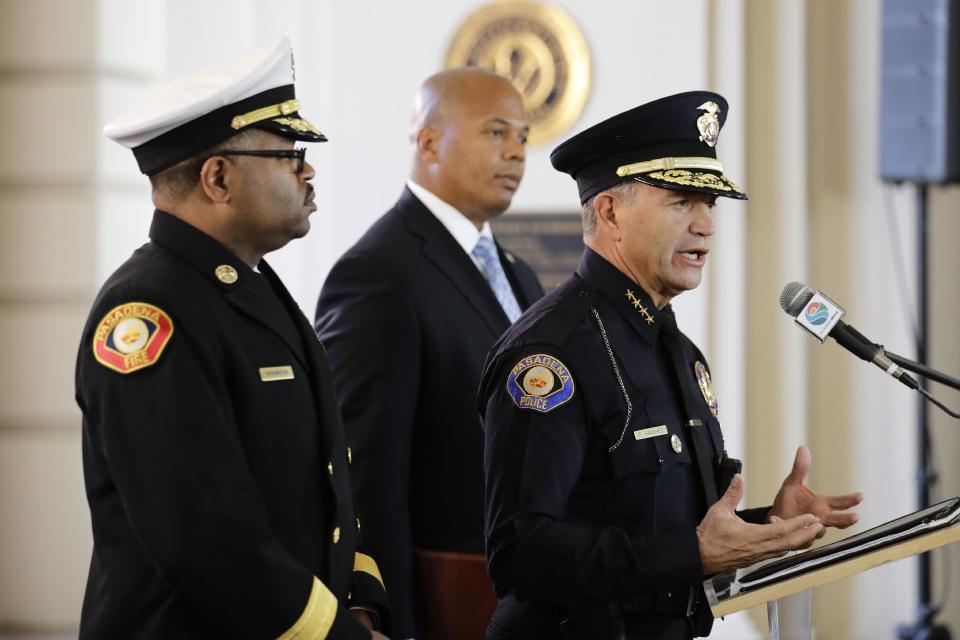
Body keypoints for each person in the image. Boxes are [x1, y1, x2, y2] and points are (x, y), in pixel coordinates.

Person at [477, 91, 864, 639]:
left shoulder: (676, 350)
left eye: (711, 204)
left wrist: (763, 526)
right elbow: (521, 553)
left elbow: (663, 531)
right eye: (682, 201)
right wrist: (695, 553)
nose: (706, 225)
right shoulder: (550, 355)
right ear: (610, 212)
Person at [76, 37, 390, 639]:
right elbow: (204, 536)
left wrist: (361, 603)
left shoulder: (251, 285)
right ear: (218, 177)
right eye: (288, 153)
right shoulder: (146, 313)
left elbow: (325, 479)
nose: (308, 169)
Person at [314, 67, 544, 639]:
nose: (516, 152)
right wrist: (394, 620)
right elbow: (366, 476)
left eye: (522, 137)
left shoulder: (518, 274)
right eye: (496, 132)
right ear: (428, 141)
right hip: (444, 598)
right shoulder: (378, 273)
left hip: (525, 597)